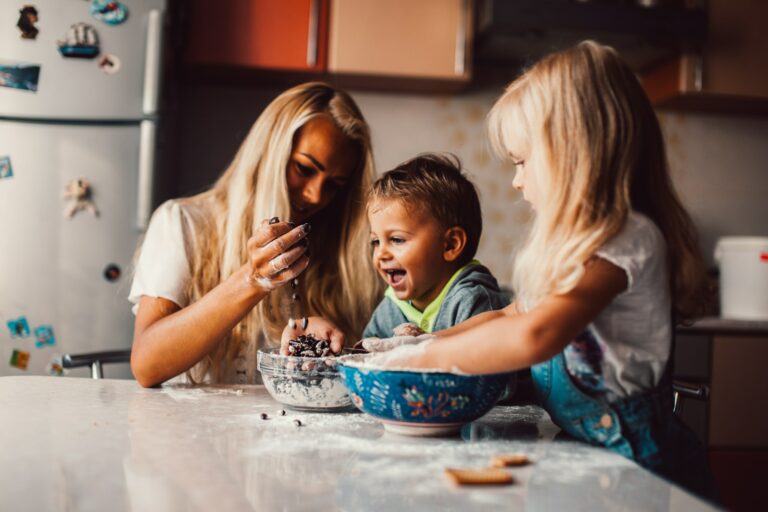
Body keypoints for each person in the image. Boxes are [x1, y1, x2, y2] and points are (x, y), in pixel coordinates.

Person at [365, 42, 716, 501]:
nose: (516, 180)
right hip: (586, 449)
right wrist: (423, 342)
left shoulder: (627, 239)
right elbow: (511, 316)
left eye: (523, 161)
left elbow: (536, 335)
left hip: (630, 460)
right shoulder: (576, 246)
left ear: (574, 153)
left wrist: (419, 361)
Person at [129, 82, 381, 387]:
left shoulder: (339, 247)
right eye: (303, 169)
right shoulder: (183, 224)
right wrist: (252, 280)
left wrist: (324, 348)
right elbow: (147, 364)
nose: (316, 196)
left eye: (334, 185)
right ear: (270, 153)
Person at [361, 154, 509, 339]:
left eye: (397, 239)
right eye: (376, 241)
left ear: (450, 245)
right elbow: (365, 356)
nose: (381, 254)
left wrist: (424, 346)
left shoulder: (473, 300)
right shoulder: (390, 308)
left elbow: (486, 363)